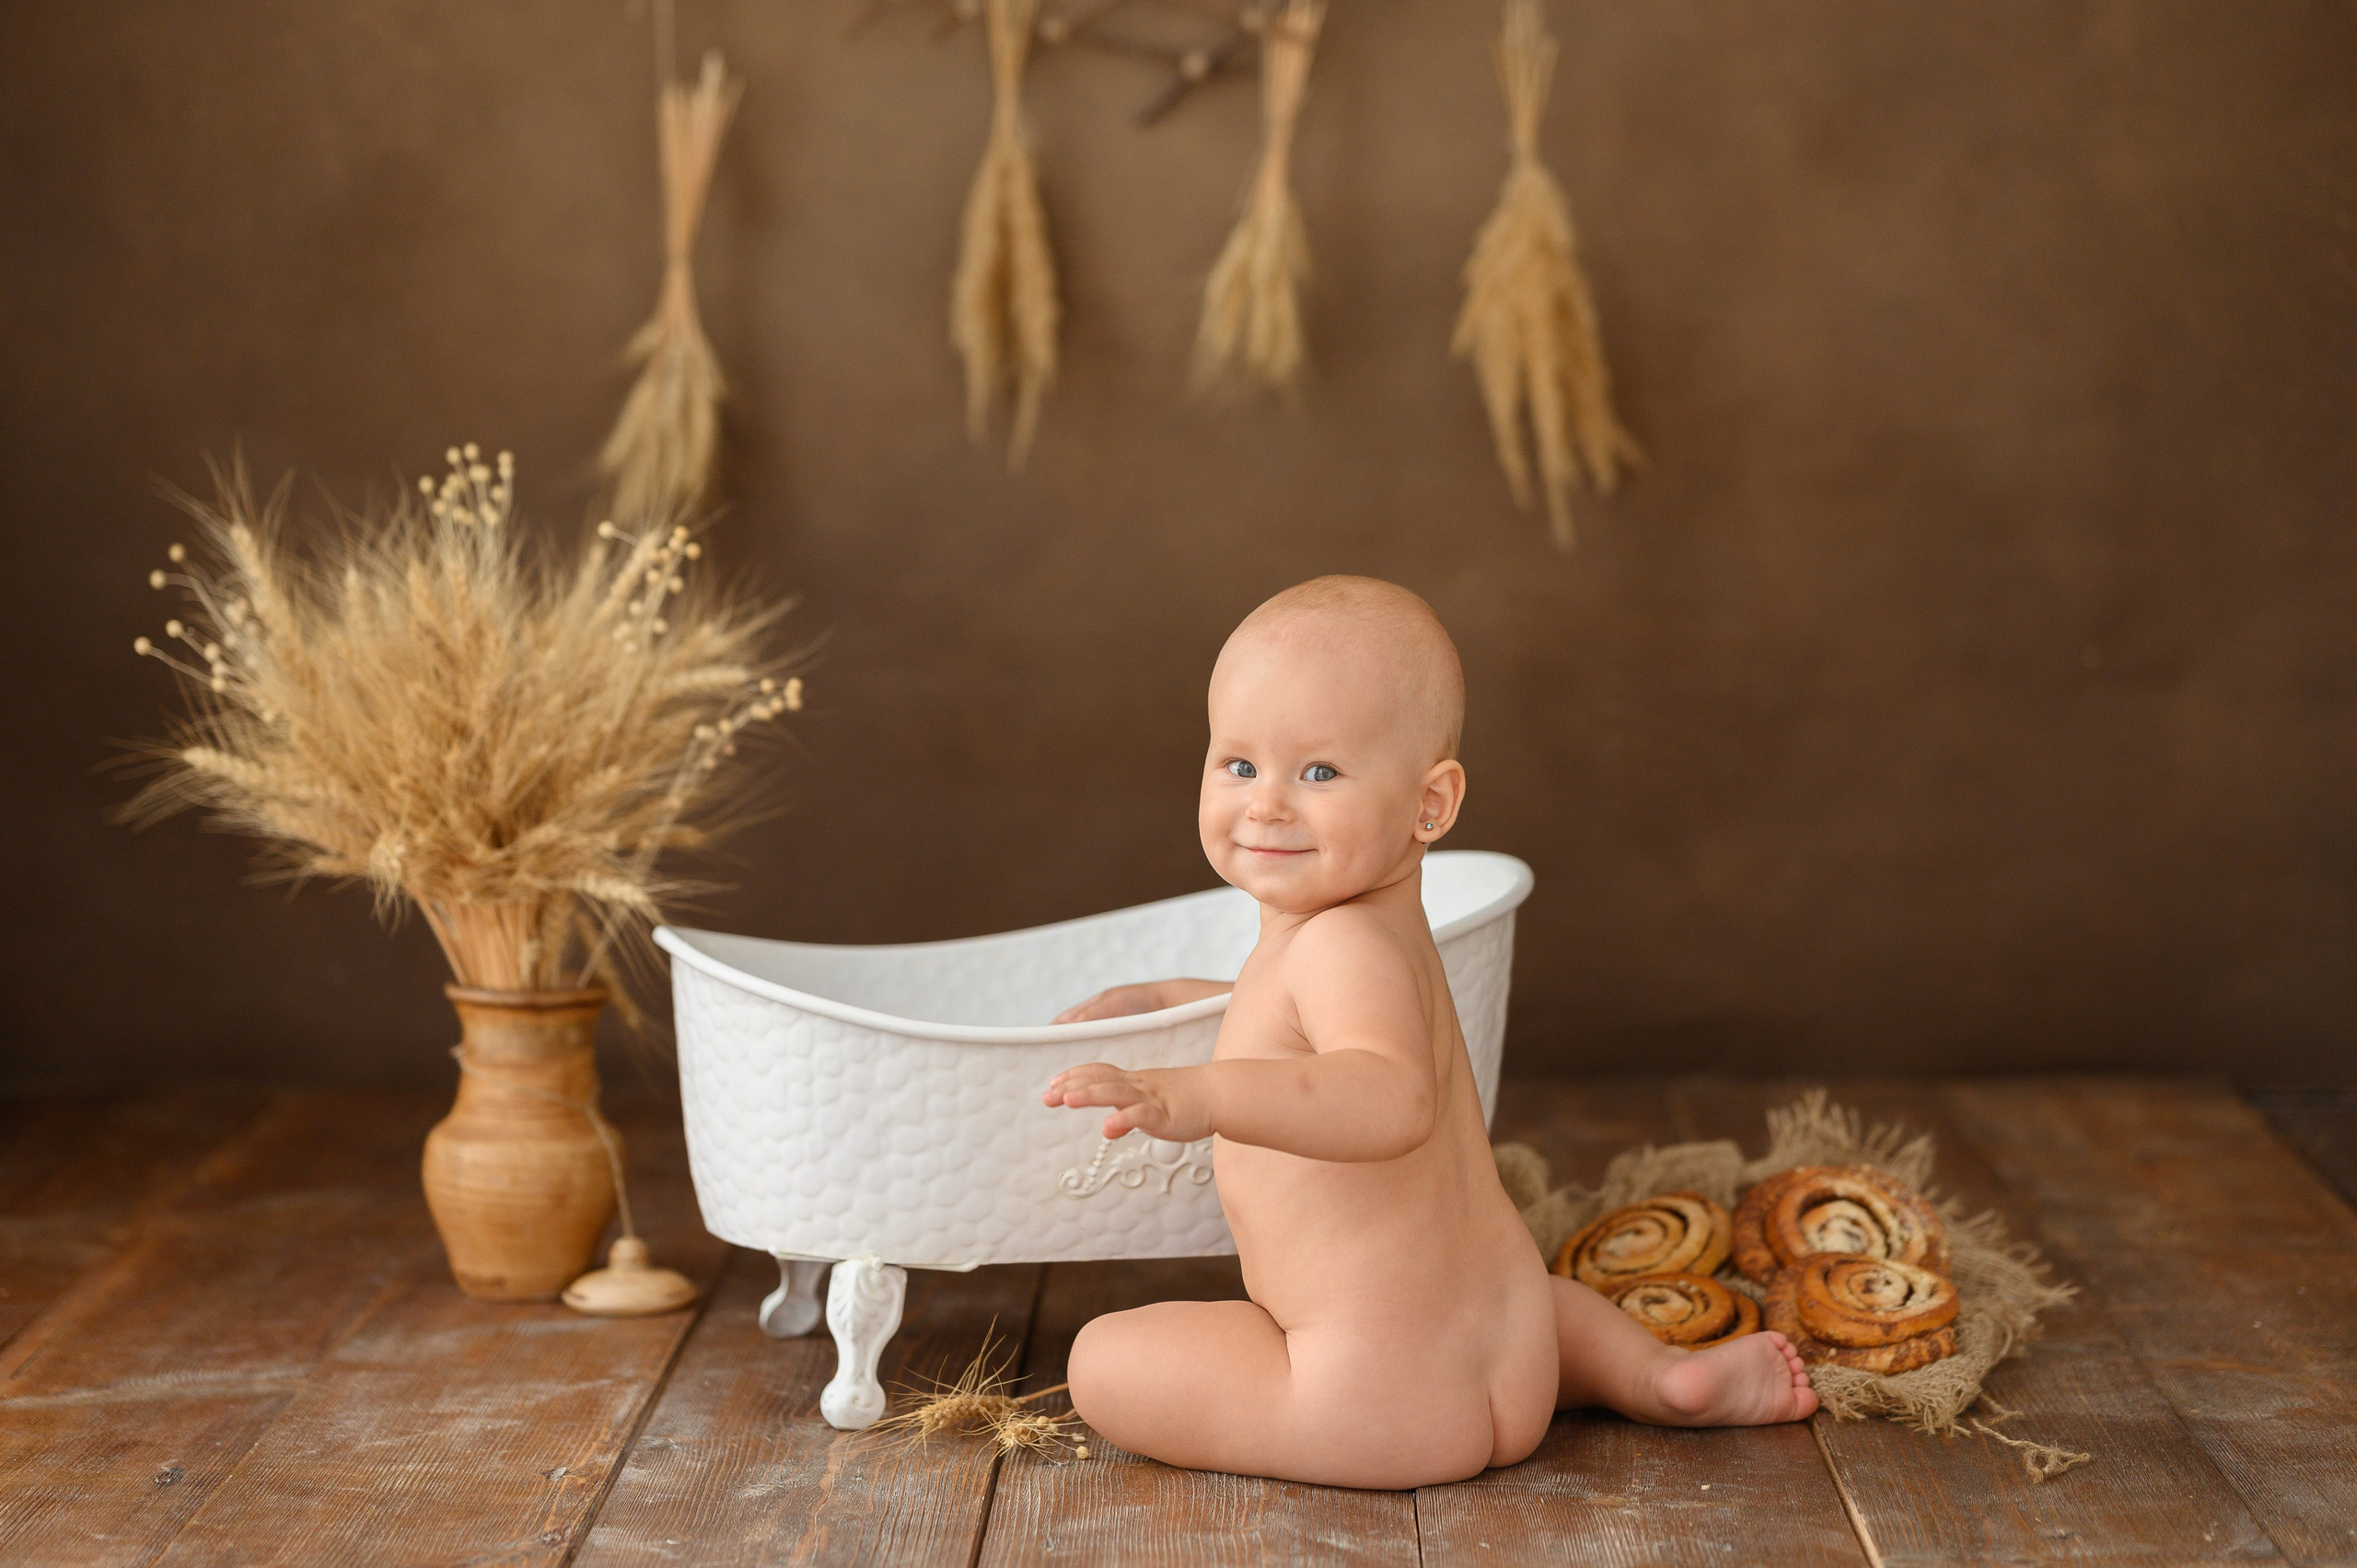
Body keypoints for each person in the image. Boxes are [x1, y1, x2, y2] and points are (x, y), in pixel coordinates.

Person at [1042, 575, 1817, 1489]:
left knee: (1102, 1358)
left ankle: (1610, 1379)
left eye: (1318, 772)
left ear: (1430, 804)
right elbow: (1289, 1023)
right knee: (1546, 1297)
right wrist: (1167, 995)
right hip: (1512, 1353)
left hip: (1373, 1398)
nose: (1266, 803)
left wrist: (1195, 1093)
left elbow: (1389, 1094)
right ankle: (1656, 1376)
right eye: (1239, 764)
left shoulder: (1335, 942)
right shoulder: (1378, 932)